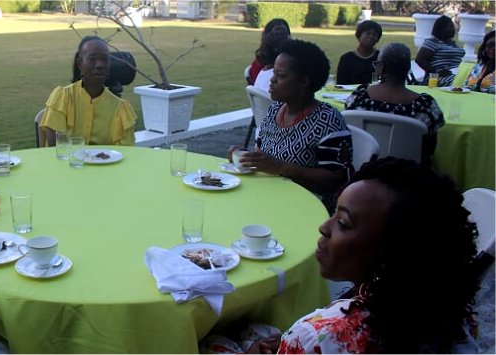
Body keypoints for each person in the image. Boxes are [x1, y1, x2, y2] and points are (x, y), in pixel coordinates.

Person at [203, 157, 480, 353]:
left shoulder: (320, 335)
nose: (324, 228)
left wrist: (293, 344)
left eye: (344, 224)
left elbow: (322, 339)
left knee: (212, 340)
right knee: (257, 330)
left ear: (390, 253)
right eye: (334, 213)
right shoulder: (453, 317)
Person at [230, 39, 353, 213]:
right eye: (274, 73)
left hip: (308, 207)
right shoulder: (275, 110)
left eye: (280, 76)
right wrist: (245, 157)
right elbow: (262, 154)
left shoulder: (327, 121)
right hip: (268, 196)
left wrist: (283, 168)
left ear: (303, 82)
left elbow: (334, 179)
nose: (272, 80)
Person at [345, 43, 445, 167]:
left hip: (362, 172)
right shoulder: (425, 105)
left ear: (380, 67)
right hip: (407, 177)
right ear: (408, 68)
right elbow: (430, 149)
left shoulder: (359, 97)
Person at [39, 35, 137, 146]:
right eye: (92, 59)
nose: (99, 65)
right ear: (80, 63)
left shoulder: (120, 108)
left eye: (104, 59)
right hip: (67, 163)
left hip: (104, 163)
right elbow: (56, 147)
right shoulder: (63, 98)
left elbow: (125, 153)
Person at [415, 15, 465, 87]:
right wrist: (436, 72)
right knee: (463, 83)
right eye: (450, 27)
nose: (453, 29)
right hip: (440, 78)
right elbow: (419, 60)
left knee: (476, 81)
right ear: (441, 29)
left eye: (453, 26)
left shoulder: (452, 43)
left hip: (457, 74)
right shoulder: (433, 42)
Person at [336, 20, 383, 85]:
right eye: (368, 33)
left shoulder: (381, 58)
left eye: (374, 34)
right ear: (359, 36)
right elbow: (341, 84)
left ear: (377, 39)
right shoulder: (346, 59)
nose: (371, 36)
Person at [249, 18, 291, 85]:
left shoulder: (291, 58)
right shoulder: (259, 64)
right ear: (267, 37)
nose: (281, 37)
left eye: (284, 34)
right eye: (277, 34)